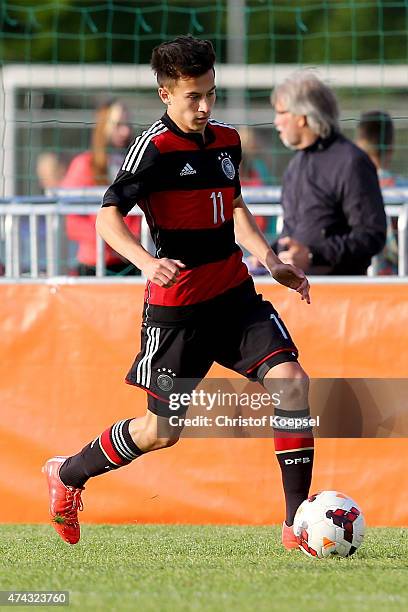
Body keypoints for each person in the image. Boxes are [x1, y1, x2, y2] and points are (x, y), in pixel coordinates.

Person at [43, 35, 313, 549]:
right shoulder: (153, 148)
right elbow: (107, 220)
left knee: (293, 384)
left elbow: (234, 208)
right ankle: (69, 473)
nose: (206, 106)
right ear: (166, 95)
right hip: (178, 313)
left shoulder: (227, 140)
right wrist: (146, 261)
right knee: (161, 433)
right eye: (194, 97)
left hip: (234, 297)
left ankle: (297, 522)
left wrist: (271, 261)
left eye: (211, 93)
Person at [270, 72, 386, 275]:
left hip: (339, 294)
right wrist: (269, 256)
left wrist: (314, 255)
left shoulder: (351, 161)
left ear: (302, 117)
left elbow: (371, 235)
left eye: (281, 113)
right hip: (298, 292)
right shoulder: (296, 165)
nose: (276, 122)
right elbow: (293, 234)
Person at [61, 99, 141, 275]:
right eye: (118, 124)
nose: (126, 130)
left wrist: (132, 242)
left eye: (127, 124)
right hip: (95, 264)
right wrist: (114, 241)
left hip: (134, 261)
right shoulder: (84, 165)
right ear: (103, 126)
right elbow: (72, 223)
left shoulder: (136, 163)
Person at [355, 111, 398, 274]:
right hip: (398, 278)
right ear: (391, 146)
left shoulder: (350, 187)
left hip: (358, 276)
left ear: (358, 144)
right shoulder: (401, 188)